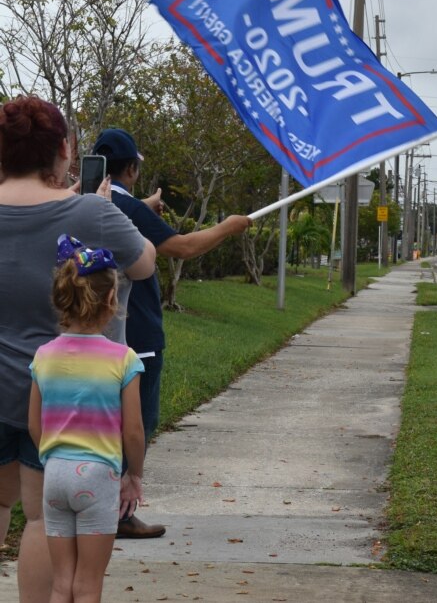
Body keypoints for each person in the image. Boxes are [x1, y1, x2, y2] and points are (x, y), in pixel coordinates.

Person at [0, 96, 156, 603]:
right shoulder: (90, 210)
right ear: (64, 151)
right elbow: (145, 264)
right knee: (41, 517)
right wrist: (106, 213)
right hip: (55, 401)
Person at [92, 128, 250, 539]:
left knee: (103, 424)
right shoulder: (125, 206)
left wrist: (145, 208)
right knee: (139, 421)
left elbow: (125, 219)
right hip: (137, 332)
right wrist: (228, 228)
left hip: (94, 333)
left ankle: (93, 506)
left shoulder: (90, 202)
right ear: (131, 168)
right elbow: (182, 247)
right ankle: (121, 513)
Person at [28, 236, 146, 603]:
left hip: (56, 475)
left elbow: (35, 424)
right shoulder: (123, 359)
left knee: (62, 583)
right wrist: (134, 475)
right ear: (111, 299)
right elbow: (133, 431)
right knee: (88, 584)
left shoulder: (44, 356)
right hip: (98, 478)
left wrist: (53, 456)